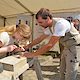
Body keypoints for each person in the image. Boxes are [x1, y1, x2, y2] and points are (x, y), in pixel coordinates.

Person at [20, 8, 80, 80]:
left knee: (70, 74)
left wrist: (32, 54)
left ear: (48, 18)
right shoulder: (50, 27)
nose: (39, 25)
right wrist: (27, 46)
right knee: (62, 71)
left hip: (75, 47)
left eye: (41, 22)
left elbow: (50, 45)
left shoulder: (60, 24)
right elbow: (39, 39)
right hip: (67, 47)